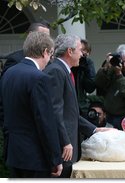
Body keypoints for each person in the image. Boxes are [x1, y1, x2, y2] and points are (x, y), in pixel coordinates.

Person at [43, 34, 111, 178]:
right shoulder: (56, 71)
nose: (82, 54)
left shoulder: (63, 71)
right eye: (80, 50)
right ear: (70, 51)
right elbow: (55, 112)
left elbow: (70, 113)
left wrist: (94, 129)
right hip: (63, 148)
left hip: (68, 146)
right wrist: (65, 141)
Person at [0, 32, 63, 178]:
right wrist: (55, 158)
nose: (50, 59)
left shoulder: (8, 73)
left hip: (14, 153)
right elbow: (45, 122)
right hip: (35, 157)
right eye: (51, 54)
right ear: (45, 52)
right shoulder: (39, 78)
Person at [95, 44, 125, 130]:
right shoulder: (113, 67)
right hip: (108, 113)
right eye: (122, 62)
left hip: (124, 115)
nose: (124, 65)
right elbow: (99, 83)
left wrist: (119, 74)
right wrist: (106, 67)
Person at [71, 39, 96, 117]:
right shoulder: (69, 63)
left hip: (81, 106)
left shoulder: (87, 63)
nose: (81, 55)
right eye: (80, 50)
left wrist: (85, 69)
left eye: (84, 52)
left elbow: (90, 88)